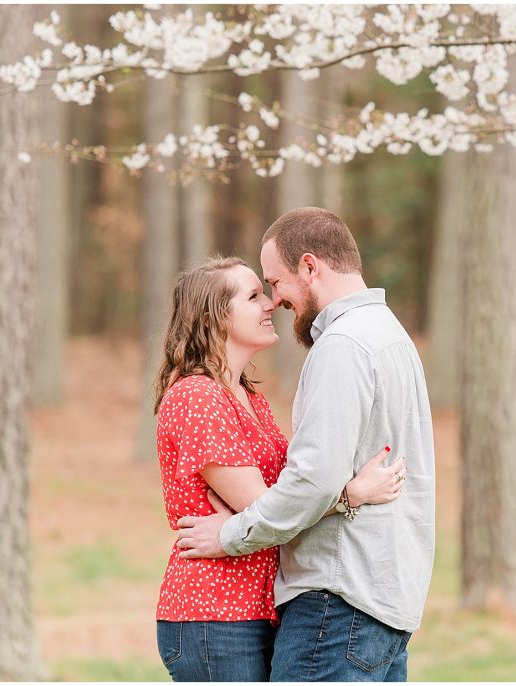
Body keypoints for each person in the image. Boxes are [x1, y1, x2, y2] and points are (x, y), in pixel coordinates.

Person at [176, 208, 436, 682]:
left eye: (275, 283)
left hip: (337, 599)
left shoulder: (343, 344)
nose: (276, 300)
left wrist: (228, 535)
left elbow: (311, 481)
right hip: (383, 597)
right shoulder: (390, 335)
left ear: (311, 267)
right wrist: (349, 493)